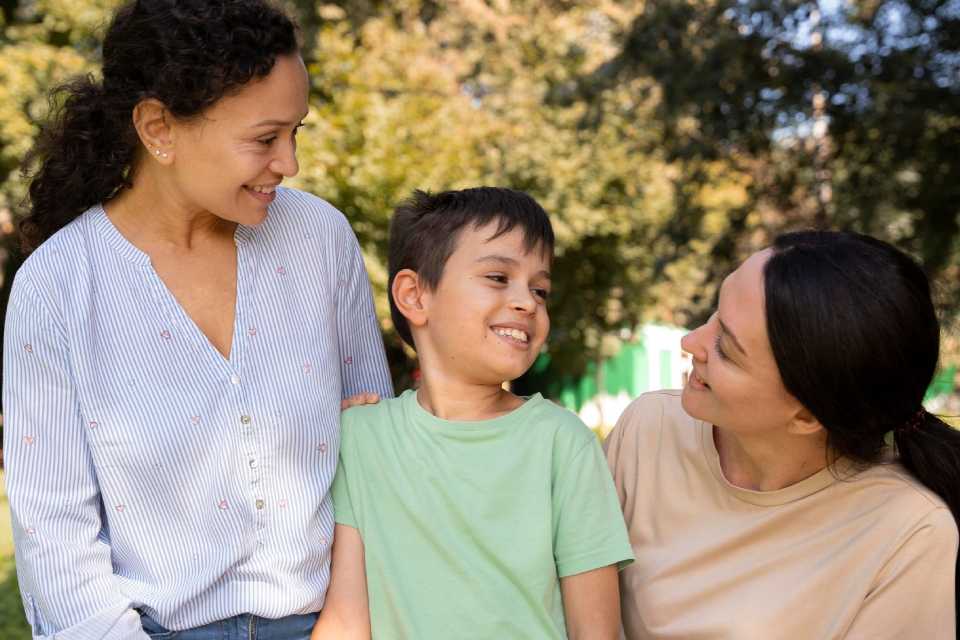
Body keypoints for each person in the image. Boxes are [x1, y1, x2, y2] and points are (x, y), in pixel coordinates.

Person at [2, 1, 392, 639]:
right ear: (159, 128)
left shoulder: (320, 240)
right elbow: (56, 539)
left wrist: (350, 620)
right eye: (265, 139)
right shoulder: (58, 286)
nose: (289, 163)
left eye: (297, 132)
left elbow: (375, 462)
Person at [310, 188, 634, 639]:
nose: (528, 302)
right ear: (415, 295)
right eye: (499, 277)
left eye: (540, 289)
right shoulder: (361, 437)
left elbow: (595, 632)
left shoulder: (563, 442)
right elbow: (347, 619)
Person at [605, 230, 960, 639]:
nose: (691, 342)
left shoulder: (910, 531)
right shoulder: (648, 431)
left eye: (727, 349)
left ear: (808, 415)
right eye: (714, 316)